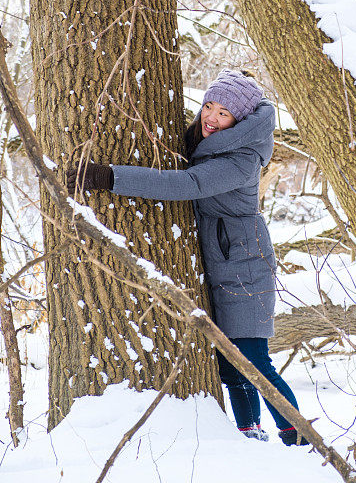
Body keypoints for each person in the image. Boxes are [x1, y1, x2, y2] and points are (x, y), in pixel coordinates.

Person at [67, 69, 307, 446]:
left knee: (252, 358)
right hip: (219, 253)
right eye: (208, 106)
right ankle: (250, 433)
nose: (210, 117)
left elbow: (187, 184)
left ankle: (299, 437)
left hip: (243, 259)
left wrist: (109, 177)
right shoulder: (205, 135)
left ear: (239, 121)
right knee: (229, 366)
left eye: (223, 113)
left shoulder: (242, 157)